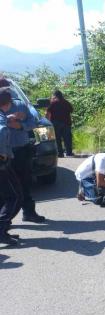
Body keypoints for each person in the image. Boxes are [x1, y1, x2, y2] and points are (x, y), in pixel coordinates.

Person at [0, 78, 45, 223]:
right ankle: (5, 221)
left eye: (5, 88)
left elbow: (34, 122)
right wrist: (8, 120)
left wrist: (20, 126)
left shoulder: (20, 105)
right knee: (5, 189)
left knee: (25, 183)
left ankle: (29, 212)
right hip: (3, 154)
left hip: (21, 149)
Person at [0, 88, 23, 247]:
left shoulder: (2, 117)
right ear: (7, 104)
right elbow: (1, 131)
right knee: (14, 196)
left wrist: (7, 119)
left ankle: (4, 229)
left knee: (13, 194)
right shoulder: (1, 122)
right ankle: (1, 230)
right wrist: (3, 156)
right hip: (2, 163)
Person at [46, 90, 74, 157]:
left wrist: (47, 122)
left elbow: (47, 113)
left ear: (55, 96)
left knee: (57, 138)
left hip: (56, 123)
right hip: (66, 123)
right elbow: (71, 110)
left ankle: (60, 153)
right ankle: (69, 153)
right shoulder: (66, 102)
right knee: (67, 138)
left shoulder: (53, 103)